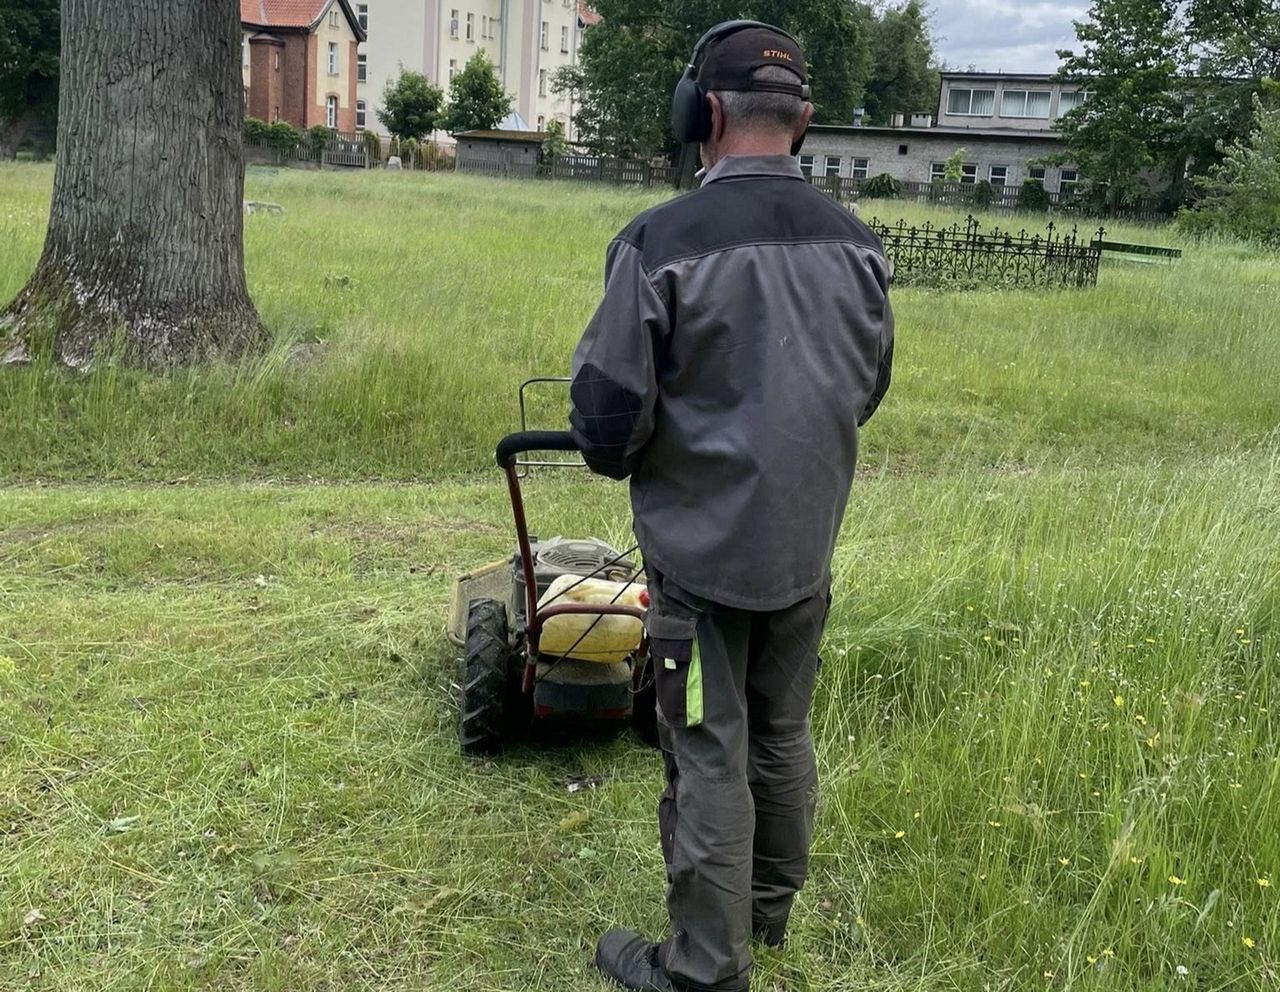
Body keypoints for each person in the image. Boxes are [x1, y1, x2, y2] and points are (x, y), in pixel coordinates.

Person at [568, 21, 894, 992]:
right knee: (781, 730)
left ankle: (705, 965)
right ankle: (765, 908)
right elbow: (863, 389)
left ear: (700, 114)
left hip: (699, 567)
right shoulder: (858, 246)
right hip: (803, 552)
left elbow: (605, 418)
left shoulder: (657, 242)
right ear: (800, 122)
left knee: (707, 745)